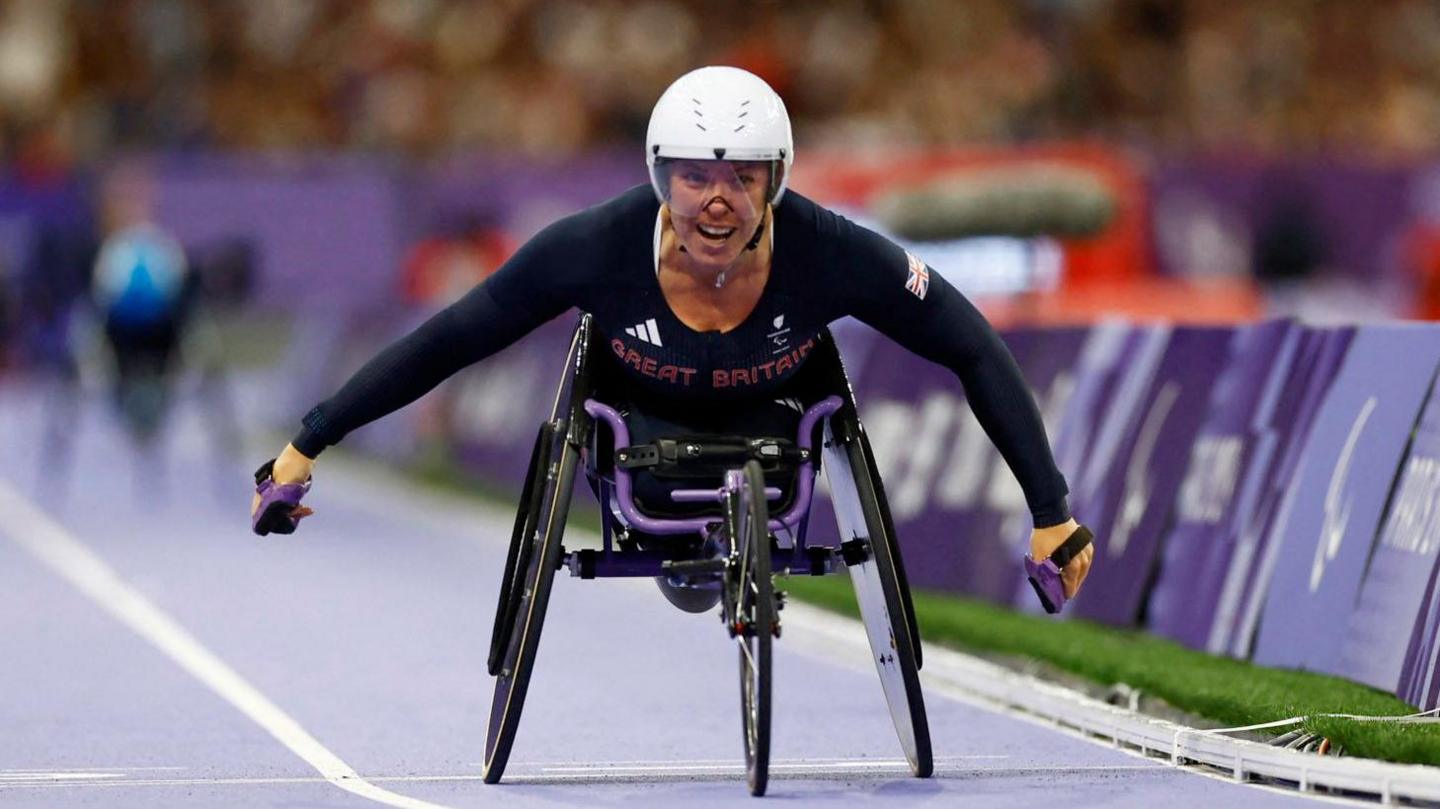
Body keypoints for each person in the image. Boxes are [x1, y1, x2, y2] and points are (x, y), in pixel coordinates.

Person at [251, 66, 1094, 609]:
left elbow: (972, 344)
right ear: (659, 178)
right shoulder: (591, 246)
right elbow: (450, 340)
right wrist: (307, 442)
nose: (717, 201)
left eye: (741, 176)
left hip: (778, 435)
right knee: (672, 545)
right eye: (694, 176)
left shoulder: (833, 250)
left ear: (777, 180)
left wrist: (1052, 511)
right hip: (642, 445)